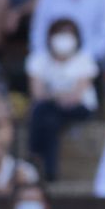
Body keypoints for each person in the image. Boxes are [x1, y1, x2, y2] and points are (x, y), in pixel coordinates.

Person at [26, 18, 98, 182]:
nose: (64, 38)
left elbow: (76, 96)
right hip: (51, 109)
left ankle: (34, 154)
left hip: (79, 108)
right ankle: (50, 171)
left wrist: (54, 95)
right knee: (49, 119)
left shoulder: (84, 59)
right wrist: (57, 96)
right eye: (60, 33)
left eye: (68, 34)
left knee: (42, 111)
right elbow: (37, 93)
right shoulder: (39, 59)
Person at [29, 0, 105, 65]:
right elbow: (38, 34)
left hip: (92, 60)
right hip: (51, 62)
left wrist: (82, 59)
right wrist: (51, 60)